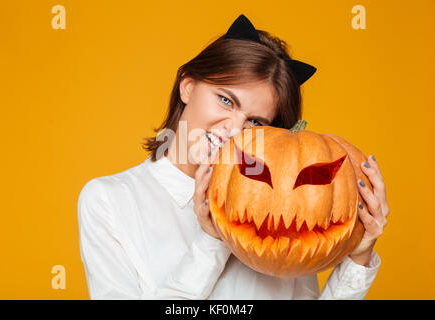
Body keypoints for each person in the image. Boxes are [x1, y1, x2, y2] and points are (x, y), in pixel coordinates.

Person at [77, 14, 389, 299]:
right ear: (187, 86)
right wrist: (214, 239)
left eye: (256, 122)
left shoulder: (281, 211)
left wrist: (357, 258)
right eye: (226, 100)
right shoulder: (109, 200)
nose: (233, 130)